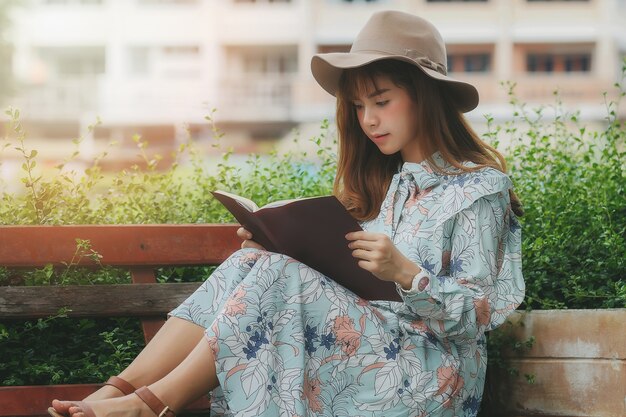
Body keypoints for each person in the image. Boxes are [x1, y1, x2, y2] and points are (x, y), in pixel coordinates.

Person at [49, 10, 524, 417]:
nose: (368, 120)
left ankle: (150, 406)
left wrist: (407, 273)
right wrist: (280, 244)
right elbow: (348, 291)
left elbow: (478, 315)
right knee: (253, 261)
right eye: (359, 106)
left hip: (431, 374)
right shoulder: (387, 187)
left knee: (275, 273)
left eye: (381, 102)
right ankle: (118, 390)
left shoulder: (479, 189)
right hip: (364, 352)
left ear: (426, 95)